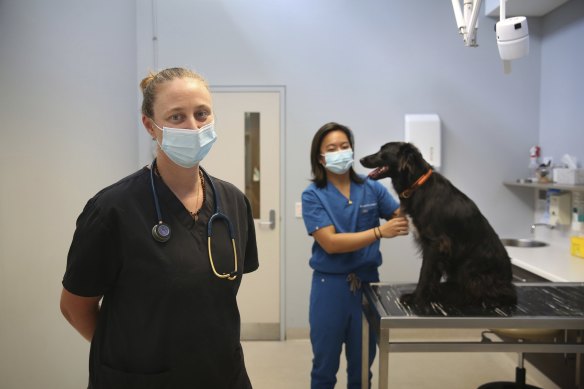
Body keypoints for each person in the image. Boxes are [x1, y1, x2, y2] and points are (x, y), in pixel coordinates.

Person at [59, 67, 259, 389]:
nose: (193, 126)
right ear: (150, 126)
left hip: (222, 374)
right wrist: (128, 356)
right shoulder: (113, 210)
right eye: (177, 117)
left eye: (201, 113)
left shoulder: (232, 201)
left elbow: (215, 298)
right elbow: (74, 307)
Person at [301, 122, 409, 389]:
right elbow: (331, 243)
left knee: (362, 369)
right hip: (330, 289)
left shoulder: (372, 188)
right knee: (324, 368)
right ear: (320, 157)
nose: (340, 152)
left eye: (345, 146)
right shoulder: (313, 195)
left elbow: (402, 218)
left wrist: (408, 181)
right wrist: (380, 232)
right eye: (332, 148)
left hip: (367, 287)